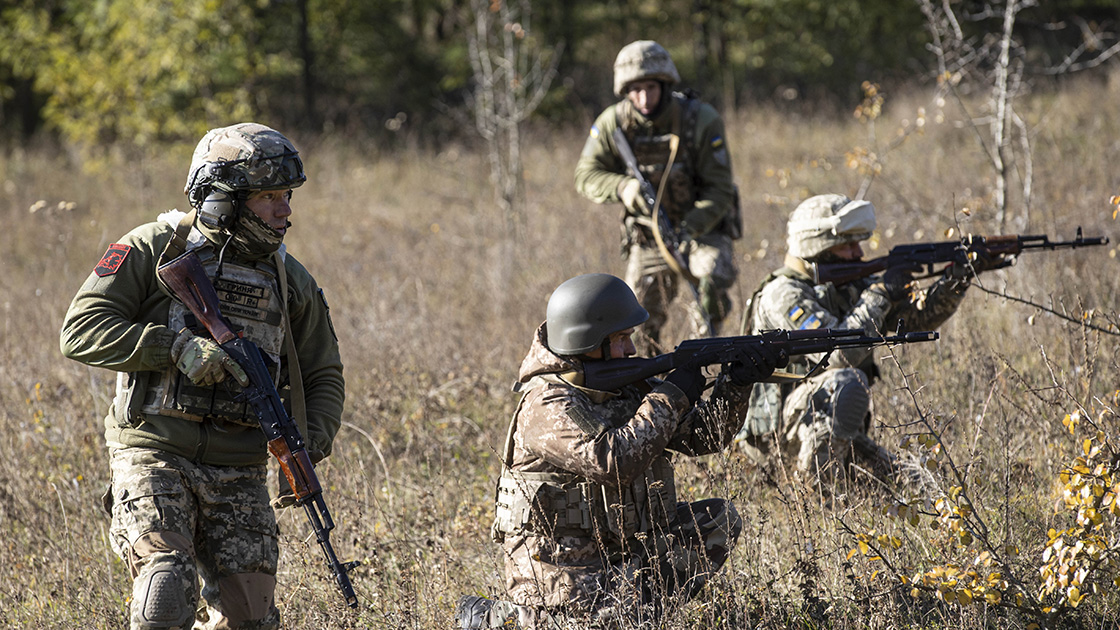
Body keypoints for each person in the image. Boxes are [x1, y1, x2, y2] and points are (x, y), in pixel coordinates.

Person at [60, 123, 345, 630]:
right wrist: (175, 347)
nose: (285, 210)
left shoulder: (290, 279)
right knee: (165, 590)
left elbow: (323, 373)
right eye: (268, 197)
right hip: (154, 451)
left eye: (286, 196)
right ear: (222, 198)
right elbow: (80, 329)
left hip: (239, 468)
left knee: (250, 621)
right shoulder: (153, 249)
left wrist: (305, 441)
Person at [457, 273, 783, 629]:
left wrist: (735, 386)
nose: (631, 349)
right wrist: (670, 397)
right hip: (560, 568)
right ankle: (503, 618)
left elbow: (703, 438)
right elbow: (613, 461)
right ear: (587, 341)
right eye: (621, 339)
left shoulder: (627, 388)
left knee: (718, 520)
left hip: (620, 549)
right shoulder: (546, 404)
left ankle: (644, 612)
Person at [735, 193, 994, 487]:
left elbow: (914, 320)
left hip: (833, 433)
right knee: (846, 379)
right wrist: (880, 294)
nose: (858, 253)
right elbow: (838, 357)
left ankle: (837, 474)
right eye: (847, 245)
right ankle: (813, 492)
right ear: (818, 246)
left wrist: (956, 281)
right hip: (779, 438)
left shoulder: (847, 285)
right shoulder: (783, 294)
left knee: (924, 487)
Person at [575, 40, 740, 351]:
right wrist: (622, 187)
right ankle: (648, 381)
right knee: (631, 319)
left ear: (665, 84)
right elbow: (585, 175)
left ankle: (703, 358)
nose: (644, 97)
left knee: (711, 284)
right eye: (635, 89)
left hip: (701, 230)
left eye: (650, 87)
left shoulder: (700, 119)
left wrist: (689, 227)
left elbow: (720, 189)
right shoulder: (614, 124)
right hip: (649, 236)